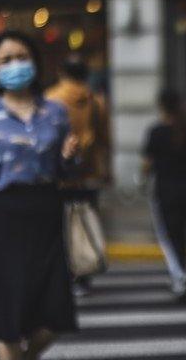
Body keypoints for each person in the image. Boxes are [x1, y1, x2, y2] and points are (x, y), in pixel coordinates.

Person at [0, 30, 79, 360]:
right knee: (5, 313)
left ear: (36, 63)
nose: (15, 65)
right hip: (2, 218)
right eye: (6, 60)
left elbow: (65, 172)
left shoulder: (56, 112)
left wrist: (68, 159)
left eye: (22, 57)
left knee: (55, 312)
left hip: (46, 214)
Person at [45, 54, 111, 296]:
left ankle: (66, 272)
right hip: (87, 173)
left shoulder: (50, 99)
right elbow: (105, 139)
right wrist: (105, 171)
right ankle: (83, 273)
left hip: (59, 173)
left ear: (62, 72)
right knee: (84, 223)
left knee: (61, 226)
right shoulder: (96, 100)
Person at [142, 89, 186, 301]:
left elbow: (147, 164)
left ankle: (180, 276)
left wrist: (143, 179)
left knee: (168, 236)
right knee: (182, 234)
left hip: (165, 190)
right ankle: (184, 270)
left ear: (161, 106)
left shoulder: (156, 132)